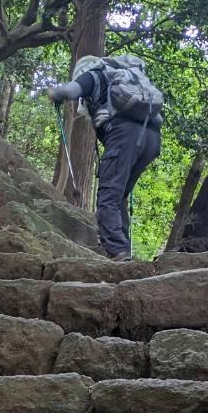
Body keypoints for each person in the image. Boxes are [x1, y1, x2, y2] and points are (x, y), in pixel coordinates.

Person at [48, 54, 163, 259]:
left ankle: (117, 251)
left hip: (124, 136)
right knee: (119, 196)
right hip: (152, 139)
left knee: (108, 196)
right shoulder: (125, 76)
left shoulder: (94, 75)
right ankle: (123, 249)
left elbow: (71, 90)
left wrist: (56, 93)